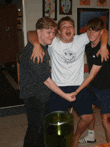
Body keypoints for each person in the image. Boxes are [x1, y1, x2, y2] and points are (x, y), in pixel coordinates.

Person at [27, 16, 109, 147]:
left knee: (88, 117)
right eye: (64, 26)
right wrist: (36, 44)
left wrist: (104, 45)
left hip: (78, 86)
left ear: (74, 29)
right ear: (59, 31)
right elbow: (31, 33)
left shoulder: (81, 39)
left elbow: (103, 31)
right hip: (58, 87)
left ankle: (75, 138)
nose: (68, 28)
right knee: (55, 122)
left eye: (70, 26)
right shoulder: (53, 41)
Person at [19, 17, 76, 147]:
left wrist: (37, 44)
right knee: (35, 129)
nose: (52, 36)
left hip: (41, 95)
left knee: (41, 128)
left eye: (53, 32)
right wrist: (65, 95)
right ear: (39, 32)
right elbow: (47, 81)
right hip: (34, 96)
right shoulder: (35, 53)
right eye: (48, 32)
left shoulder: (41, 46)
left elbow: (31, 33)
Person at [71, 17, 110, 146]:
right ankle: (91, 137)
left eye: (95, 31)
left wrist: (77, 91)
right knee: (88, 113)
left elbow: (91, 75)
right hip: (93, 86)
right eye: (89, 30)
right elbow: (104, 31)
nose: (91, 34)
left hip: (105, 87)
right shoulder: (88, 44)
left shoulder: (104, 51)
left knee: (106, 119)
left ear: (100, 32)